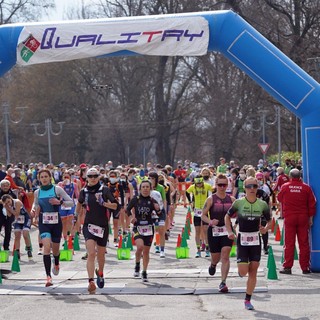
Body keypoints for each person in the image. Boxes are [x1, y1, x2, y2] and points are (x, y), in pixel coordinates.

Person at [225, 177, 271, 310]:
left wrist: (265, 228)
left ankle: (247, 299)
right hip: (243, 239)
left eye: (255, 186)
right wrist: (230, 231)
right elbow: (227, 216)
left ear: (258, 188)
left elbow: (270, 220)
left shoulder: (262, 204)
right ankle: (241, 269)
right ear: (244, 188)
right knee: (244, 272)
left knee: (254, 270)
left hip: (256, 240)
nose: (252, 189)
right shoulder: (239, 203)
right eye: (249, 186)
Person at [74, 167, 119, 293]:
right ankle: (90, 281)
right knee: (91, 253)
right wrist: (75, 216)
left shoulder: (104, 190)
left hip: (102, 226)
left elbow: (116, 205)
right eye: (90, 176)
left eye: (95, 176)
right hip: (89, 225)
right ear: (86, 178)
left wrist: (104, 204)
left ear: (99, 177)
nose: (93, 179)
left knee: (100, 255)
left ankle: (100, 272)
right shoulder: (84, 191)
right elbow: (79, 203)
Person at [30, 169, 74, 287]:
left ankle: (57, 262)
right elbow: (36, 204)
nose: (44, 179)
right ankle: (48, 277)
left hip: (56, 223)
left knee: (55, 249)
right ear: (39, 178)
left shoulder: (57, 189)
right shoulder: (37, 192)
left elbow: (71, 202)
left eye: (46, 176)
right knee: (46, 247)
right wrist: (33, 210)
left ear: (50, 178)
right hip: (44, 222)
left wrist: (59, 202)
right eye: (42, 177)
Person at [277, 168, 316, 275]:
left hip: (289, 218)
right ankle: (305, 267)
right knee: (304, 243)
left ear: (290, 177)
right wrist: (311, 218)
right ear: (300, 177)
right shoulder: (306, 188)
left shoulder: (285, 187)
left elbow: (279, 198)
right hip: (303, 218)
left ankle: (287, 267)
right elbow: (312, 204)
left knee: (289, 243)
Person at [201, 174, 235, 292]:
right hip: (214, 231)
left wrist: (234, 225)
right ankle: (213, 264)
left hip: (227, 230)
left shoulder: (232, 200)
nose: (222, 187)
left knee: (225, 255)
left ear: (227, 185)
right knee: (216, 257)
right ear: (216, 185)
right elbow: (203, 215)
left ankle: (223, 282)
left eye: (224, 185)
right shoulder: (211, 199)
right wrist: (210, 221)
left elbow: (238, 214)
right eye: (220, 185)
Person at [126, 180, 161, 282]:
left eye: (147, 187)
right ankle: (137, 264)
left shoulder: (153, 200)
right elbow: (127, 209)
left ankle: (144, 271)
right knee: (140, 247)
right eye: (143, 187)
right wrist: (132, 217)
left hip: (149, 228)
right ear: (140, 189)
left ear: (150, 189)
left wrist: (158, 210)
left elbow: (160, 214)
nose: (145, 189)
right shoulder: (135, 199)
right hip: (138, 227)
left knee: (146, 251)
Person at [186, 175, 212, 258]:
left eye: (200, 183)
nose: (199, 185)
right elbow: (187, 192)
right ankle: (198, 250)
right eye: (197, 184)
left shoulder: (207, 186)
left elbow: (213, 192)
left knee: (205, 230)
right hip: (197, 211)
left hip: (205, 211)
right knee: (197, 231)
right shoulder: (193, 187)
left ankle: (207, 249)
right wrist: (190, 201)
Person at [1, 194, 32, 259]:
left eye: (8, 201)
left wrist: (9, 208)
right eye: (6, 203)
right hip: (17, 220)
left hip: (25, 218)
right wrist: (6, 208)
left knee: (25, 234)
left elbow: (16, 213)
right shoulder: (7, 206)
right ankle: (17, 251)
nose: (8, 204)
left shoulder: (17, 202)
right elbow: (9, 215)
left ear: (11, 198)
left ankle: (29, 249)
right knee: (17, 235)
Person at [0, 179, 17, 251]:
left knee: (8, 231)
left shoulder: (12, 194)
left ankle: (6, 246)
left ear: (9, 186)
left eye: (7, 186)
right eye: (3, 186)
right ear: (0, 186)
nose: (5, 187)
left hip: (9, 216)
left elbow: (15, 204)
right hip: (0, 215)